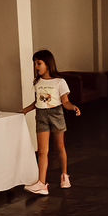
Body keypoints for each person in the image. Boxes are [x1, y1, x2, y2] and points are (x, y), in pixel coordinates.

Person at [21, 49, 81, 194]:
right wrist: (25, 110)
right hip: (41, 116)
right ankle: (42, 183)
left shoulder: (60, 82)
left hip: (56, 114)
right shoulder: (37, 82)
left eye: (39, 63)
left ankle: (64, 176)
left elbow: (65, 102)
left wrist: (73, 107)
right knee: (42, 151)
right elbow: (37, 102)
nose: (36, 66)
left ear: (47, 64)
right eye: (35, 63)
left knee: (59, 147)